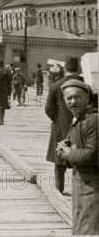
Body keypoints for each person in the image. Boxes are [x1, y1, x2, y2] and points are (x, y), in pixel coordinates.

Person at [57, 79, 98, 235]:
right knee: (81, 227)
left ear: (87, 98)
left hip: (93, 185)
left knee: (90, 229)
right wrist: (66, 148)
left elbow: (92, 154)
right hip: (80, 183)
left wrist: (69, 153)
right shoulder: (78, 120)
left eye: (77, 97)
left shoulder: (93, 120)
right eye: (69, 98)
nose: (73, 102)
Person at [45, 57, 84, 194]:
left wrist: (59, 120)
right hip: (82, 129)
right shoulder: (86, 86)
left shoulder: (56, 86)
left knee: (59, 163)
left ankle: (59, 191)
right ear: (78, 69)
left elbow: (48, 109)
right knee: (82, 160)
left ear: (65, 69)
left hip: (61, 128)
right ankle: (81, 192)